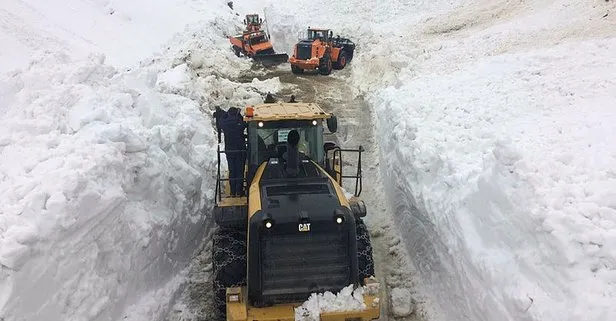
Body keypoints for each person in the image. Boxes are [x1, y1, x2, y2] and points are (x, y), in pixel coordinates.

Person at [219, 107, 247, 196]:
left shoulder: (225, 124)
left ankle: (232, 192)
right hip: (240, 150)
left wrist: (226, 114)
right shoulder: (239, 123)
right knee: (239, 171)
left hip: (230, 151)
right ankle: (239, 191)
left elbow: (220, 121)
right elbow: (244, 123)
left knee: (232, 171)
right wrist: (238, 115)